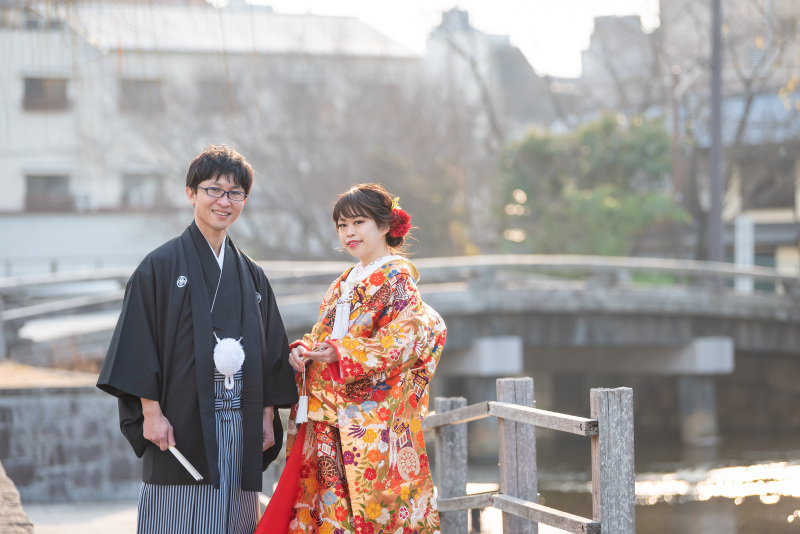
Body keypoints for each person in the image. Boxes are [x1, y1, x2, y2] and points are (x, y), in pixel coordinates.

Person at [97, 145, 298, 534]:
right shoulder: (159, 266)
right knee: (177, 515)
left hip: (240, 419)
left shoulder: (252, 275)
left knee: (234, 517)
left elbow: (270, 347)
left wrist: (267, 415)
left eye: (235, 193)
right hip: (181, 418)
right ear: (191, 193)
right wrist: (151, 414)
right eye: (214, 190)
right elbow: (139, 343)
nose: (224, 202)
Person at [256, 183, 447, 534]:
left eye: (359, 222)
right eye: (342, 225)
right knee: (327, 507)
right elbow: (322, 335)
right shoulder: (342, 283)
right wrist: (303, 350)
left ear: (386, 226)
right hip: (328, 412)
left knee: (363, 508)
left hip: (366, 417)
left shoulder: (398, 278)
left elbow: (406, 340)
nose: (349, 233)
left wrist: (342, 352)